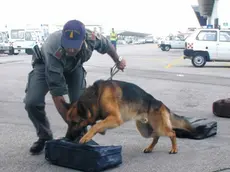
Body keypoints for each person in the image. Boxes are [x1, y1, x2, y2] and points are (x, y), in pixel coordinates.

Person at [23, 20, 126, 155]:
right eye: (68, 45)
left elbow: (107, 46)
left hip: (74, 67)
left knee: (81, 103)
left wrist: (118, 61)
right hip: (46, 65)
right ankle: (45, 136)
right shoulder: (53, 47)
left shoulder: (92, 38)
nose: (71, 49)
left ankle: (81, 135)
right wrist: (73, 125)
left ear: (83, 40)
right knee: (32, 102)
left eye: (75, 46)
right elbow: (57, 95)